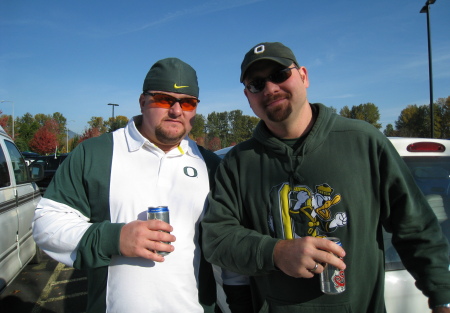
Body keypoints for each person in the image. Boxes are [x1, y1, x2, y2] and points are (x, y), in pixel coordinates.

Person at [201, 42, 450, 312]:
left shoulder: (363, 142)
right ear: (248, 97)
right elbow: (217, 239)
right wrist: (276, 252)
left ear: (304, 76)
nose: (270, 88)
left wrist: (442, 296)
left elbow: (415, 228)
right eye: (256, 84)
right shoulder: (238, 162)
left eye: (280, 74)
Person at [32, 58, 230, 313]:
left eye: (188, 102)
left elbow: (226, 250)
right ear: (142, 101)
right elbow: (46, 224)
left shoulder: (211, 165)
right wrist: (115, 238)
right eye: (163, 99)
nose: (176, 111)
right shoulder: (96, 153)